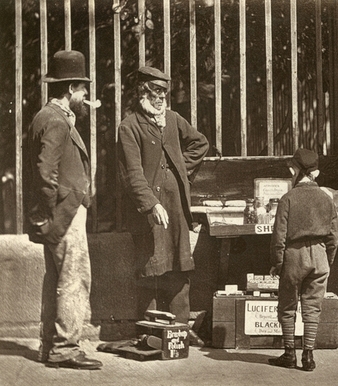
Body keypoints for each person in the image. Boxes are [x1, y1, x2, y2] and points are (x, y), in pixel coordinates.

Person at [117, 66, 209, 343]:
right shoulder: (129, 126)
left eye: (163, 93)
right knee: (151, 268)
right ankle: (150, 332)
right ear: (141, 93)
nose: (160, 98)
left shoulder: (173, 119)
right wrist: (151, 204)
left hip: (177, 206)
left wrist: (180, 171)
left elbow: (200, 144)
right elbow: (131, 173)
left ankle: (180, 330)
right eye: (154, 92)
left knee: (181, 266)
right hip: (149, 211)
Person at [26, 50, 103, 370]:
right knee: (74, 280)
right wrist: (51, 211)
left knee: (56, 279)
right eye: (83, 90)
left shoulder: (45, 116)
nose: (86, 96)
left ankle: (51, 345)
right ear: (70, 89)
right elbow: (46, 173)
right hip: (64, 213)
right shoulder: (57, 121)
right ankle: (65, 348)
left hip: (56, 213)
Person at [268, 148, 338, 371]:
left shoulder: (287, 199)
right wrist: (327, 260)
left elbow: (278, 236)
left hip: (294, 255)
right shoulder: (327, 199)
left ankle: (289, 353)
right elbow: (333, 235)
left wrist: (279, 263)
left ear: (295, 170)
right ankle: (308, 356)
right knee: (313, 307)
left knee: (287, 305)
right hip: (320, 256)